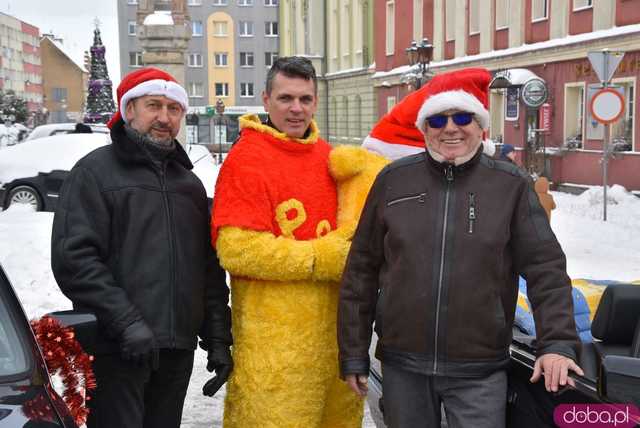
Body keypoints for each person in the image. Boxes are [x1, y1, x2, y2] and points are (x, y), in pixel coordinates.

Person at [337, 68, 582, 428]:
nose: (450, 128)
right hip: (404, 366)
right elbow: (361, 271)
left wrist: (557, 344)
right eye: (438, 119)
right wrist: (354, 353)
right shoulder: (393, 180)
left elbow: (546, 269)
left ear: (479, 124)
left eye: (462, 117)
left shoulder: (509, 184)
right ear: (424, 128)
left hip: (480, 370)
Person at [51, 67, 232, 428]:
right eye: (153, 105)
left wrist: (217, 336)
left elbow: (207, 268)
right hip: (118, 348)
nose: (164, 118)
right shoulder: (95, 173)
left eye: (173, 108)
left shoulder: (190, 185)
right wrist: (127, 323)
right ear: (129, 110)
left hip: (174, 352)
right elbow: (75, 260)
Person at [211, 56, 363, 427]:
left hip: (336, 349)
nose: (296, 109)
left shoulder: (331, 159)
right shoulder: (247, 160)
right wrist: (317, 258)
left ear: (315, 102)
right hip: (276, 352)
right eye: (285, 98)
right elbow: (236, 248)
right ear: (265, 100)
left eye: (305, 99)